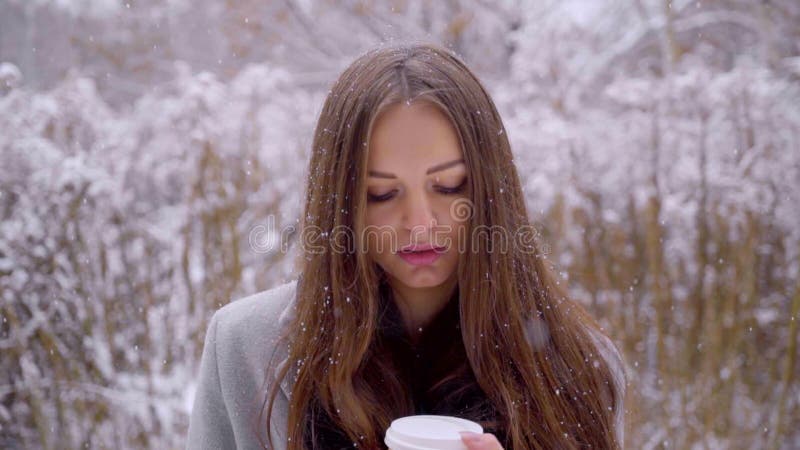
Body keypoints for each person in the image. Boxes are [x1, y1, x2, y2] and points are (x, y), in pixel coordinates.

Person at [187, 42, 627, 450]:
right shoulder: (243, 347)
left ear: (493, 192)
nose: (420, 224)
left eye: (450, 186)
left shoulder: (581, 365)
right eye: (382, 193)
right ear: (340, 203)